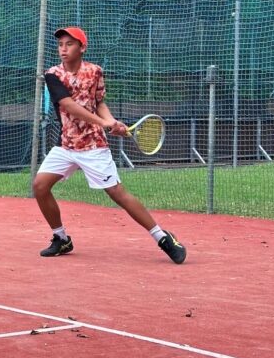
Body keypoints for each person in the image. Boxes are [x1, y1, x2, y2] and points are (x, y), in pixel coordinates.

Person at [33, 26, 186, 264]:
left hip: (94, 146)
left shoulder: (95, 72)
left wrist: (111, 121)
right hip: (66, 145)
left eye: (69, 44)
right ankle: (61, 238)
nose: (63, 49)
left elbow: (99, 102)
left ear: (82, 47)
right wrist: (106, 123)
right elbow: (69, 106)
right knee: (40, 186)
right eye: (60, 44)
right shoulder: (52, 74)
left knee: (116, 193)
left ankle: (162, 237)